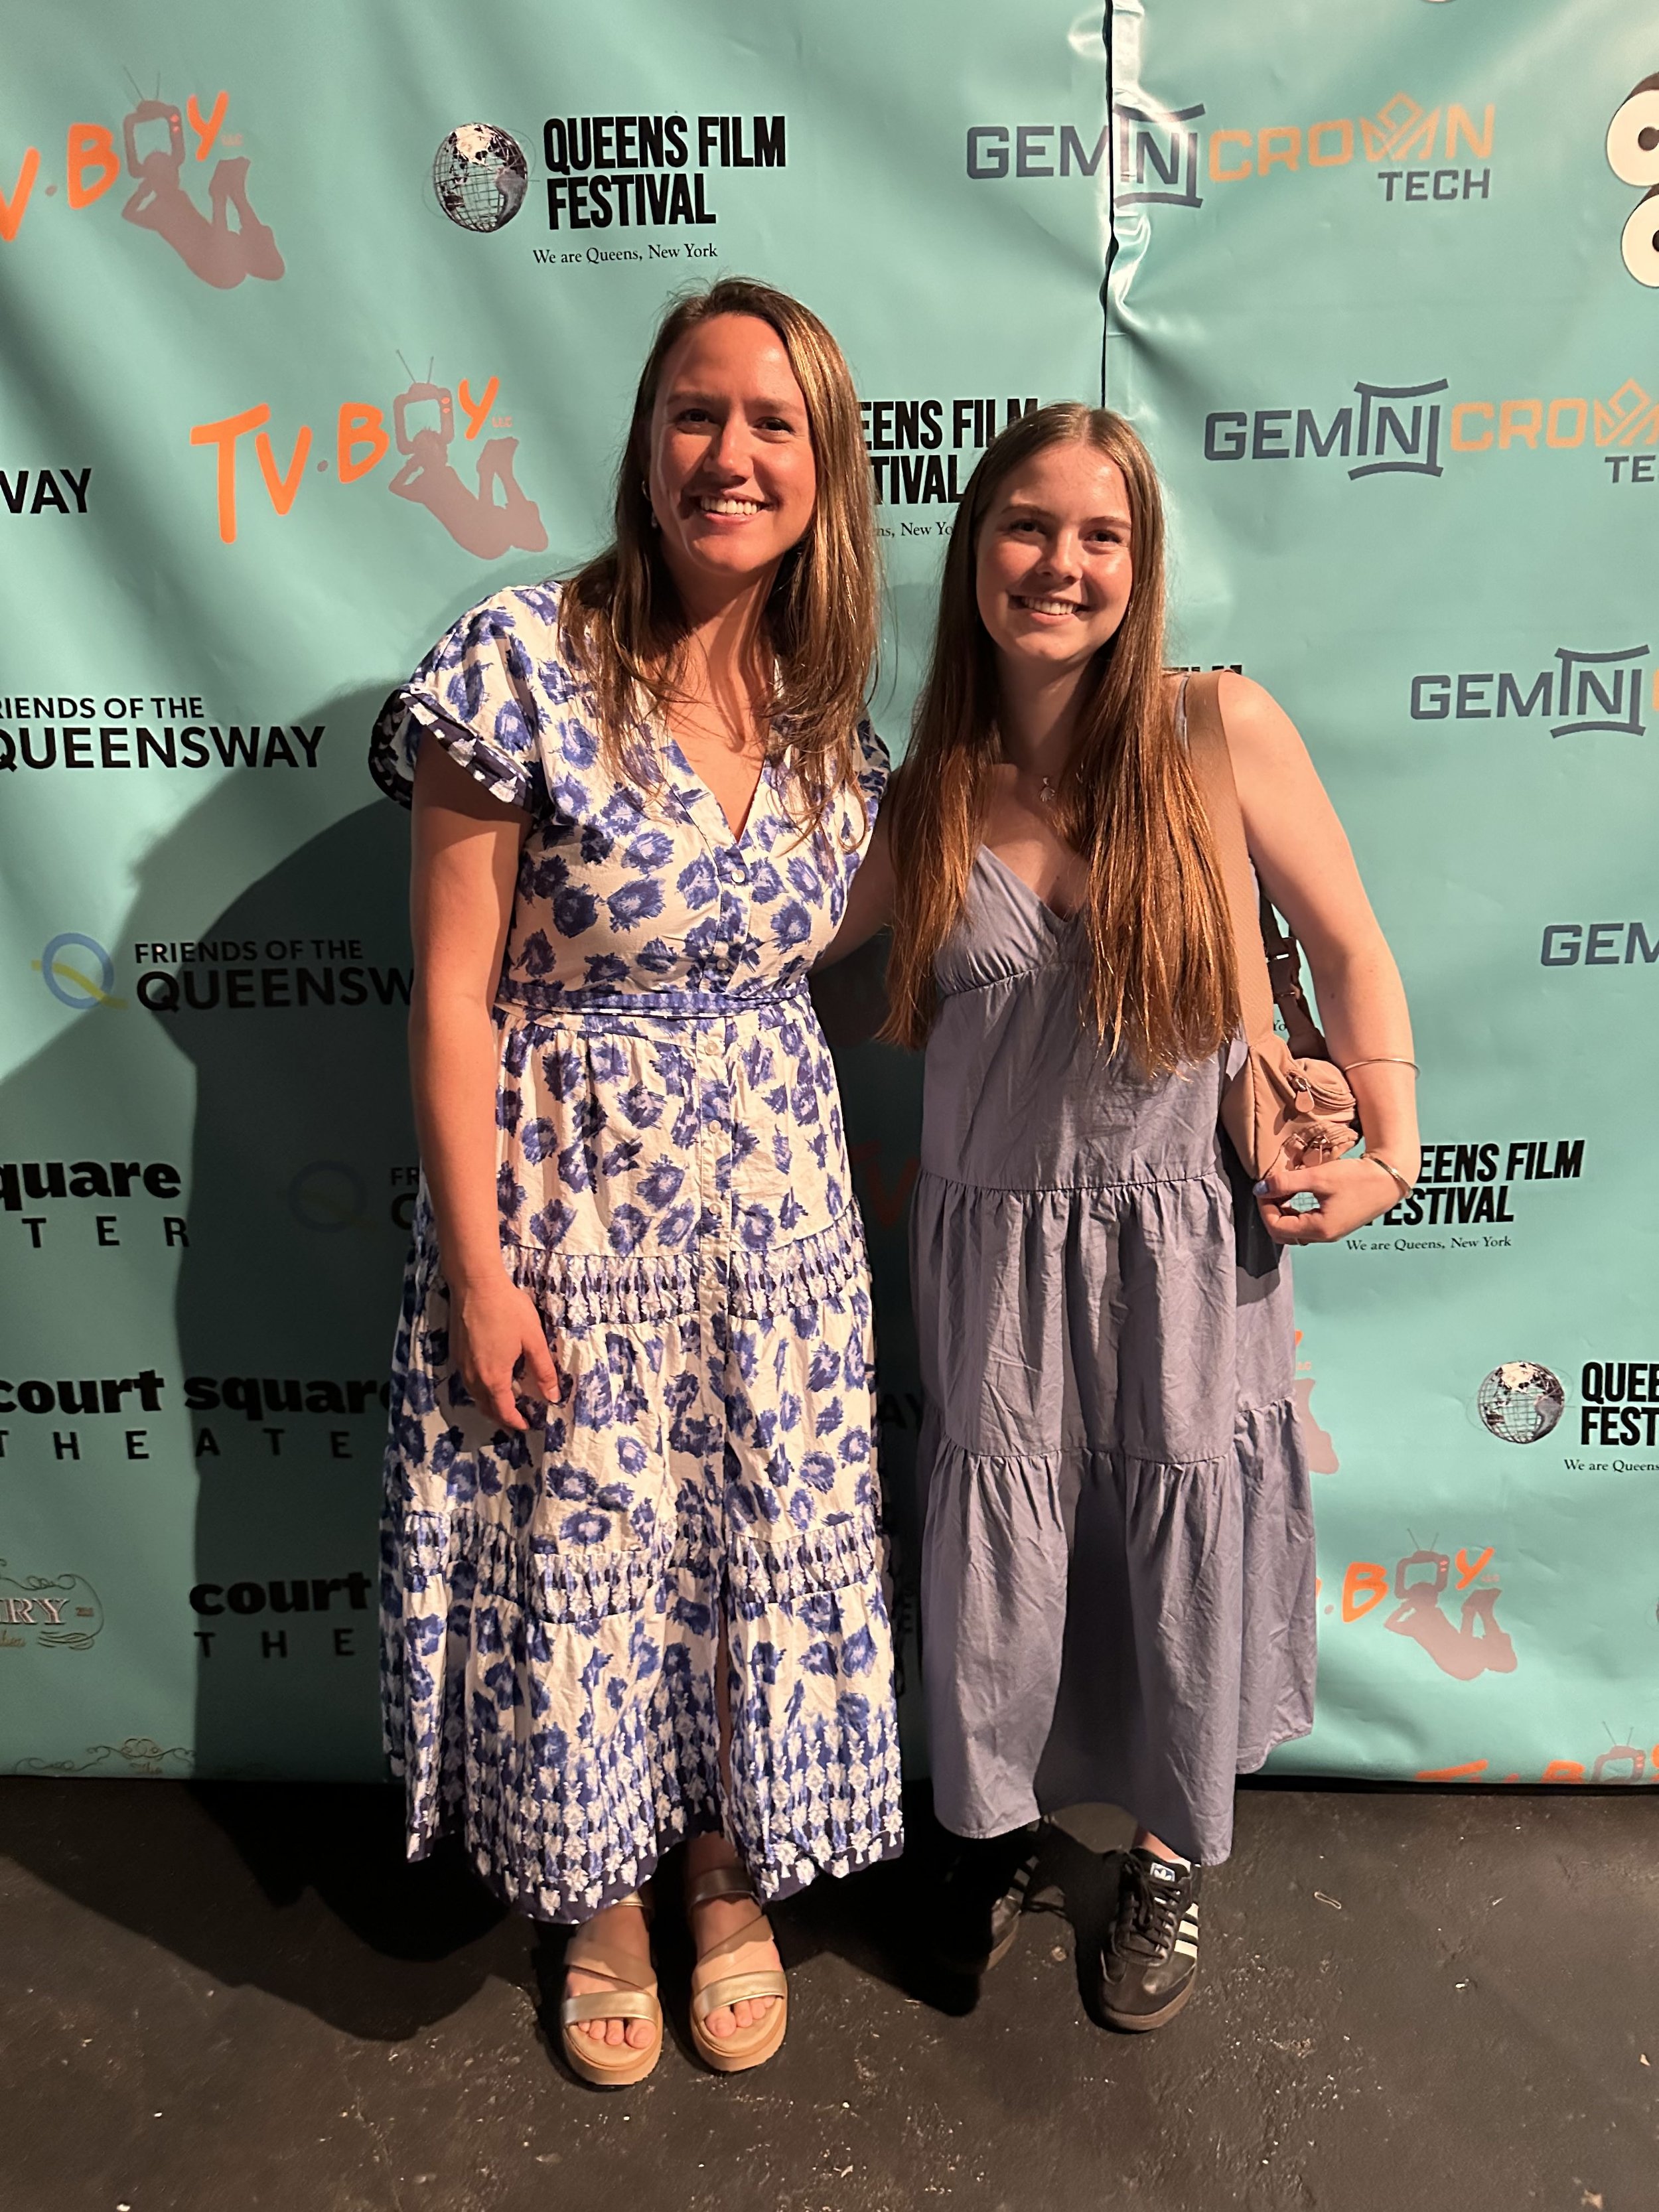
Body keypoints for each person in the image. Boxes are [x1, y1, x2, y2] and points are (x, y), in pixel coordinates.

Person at [823, 402, 1418, 2031]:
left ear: (1141, 564)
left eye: (1101, 534)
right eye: (1026, 524)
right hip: (993, 1255)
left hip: (1181, 1243)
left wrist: (1395, 1148)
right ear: (972, 551)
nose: (1060, 563)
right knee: (1001, 1559)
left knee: (1174, 1545)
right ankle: (995, 1827)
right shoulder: (924, 788)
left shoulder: (1209, 728)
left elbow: (1352, 948)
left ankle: (1164, 1853)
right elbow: (746, 944)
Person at [369, 277, 902, 2085]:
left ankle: (725, 1866)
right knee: (579, 1558)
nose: (728, 452)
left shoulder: (829, 716)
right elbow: (448, 992)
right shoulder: (514, 661)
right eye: (695, 412)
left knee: (749, 1541)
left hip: (778, 1232)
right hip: (563, 1220)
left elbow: (993, 885)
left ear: (824, 471)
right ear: (643, 443)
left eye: (772, 423)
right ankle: (597, 1892)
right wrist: (479, 1270)